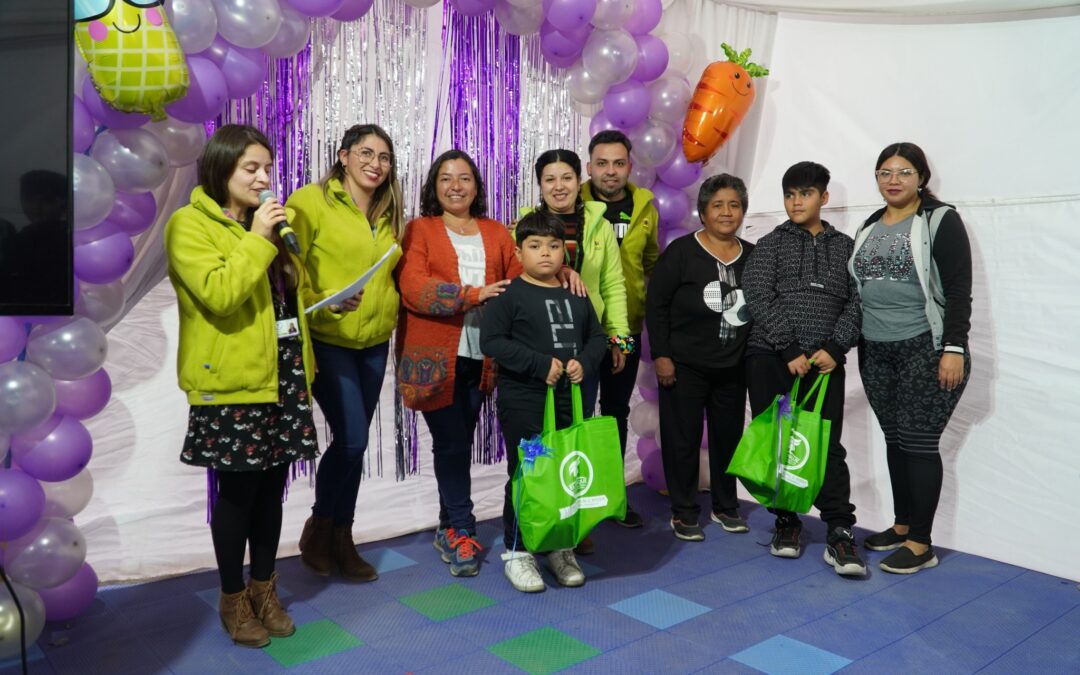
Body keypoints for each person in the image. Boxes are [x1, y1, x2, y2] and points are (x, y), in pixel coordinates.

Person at [164, 125, 358, 647]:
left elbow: (281, 295)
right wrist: (259, 239)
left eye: (267, 168)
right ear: (220, 168)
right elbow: (221, 294)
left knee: (273, 488)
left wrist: (325, 299)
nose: (264, 179)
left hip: (285, 374)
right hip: (232, 381)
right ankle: (232, 598)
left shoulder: (262, 227)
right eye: (251, 168)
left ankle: (264, 589)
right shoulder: (190, 225)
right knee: (238, 493)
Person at [395, 149, 522, 578]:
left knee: (459, 442)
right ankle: (464, 529)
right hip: (433, 360)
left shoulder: (496, 232)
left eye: (464, 178)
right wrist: (473, 295)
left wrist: (562, 274)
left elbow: (520, 276)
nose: (455, 186)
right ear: (434, 187)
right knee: (451, 444)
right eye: (446, 178)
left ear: (476, 186)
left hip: (482, 359)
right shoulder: (419, 230)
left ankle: (447, 524)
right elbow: (413, 287)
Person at [286, 124, 403, 581]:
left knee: (352, 447)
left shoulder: (391, 209)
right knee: (352, 439)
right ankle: (321, 526)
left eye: (385, 157)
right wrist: (326, 296)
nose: (376, 164)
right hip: (327, 339)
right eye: (366, 153)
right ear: (343, 156)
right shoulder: (310, 202)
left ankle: (340, 534)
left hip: (374, 342)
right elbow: (286, 267)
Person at [850, 142, 972, 574]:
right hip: (876, 349)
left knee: (920, 444)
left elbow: (958, 290)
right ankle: (902, 526)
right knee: (896, 441)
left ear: (921, 177)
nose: (894, 180)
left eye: (903, 172)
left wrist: (953, 349)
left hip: (926, 347)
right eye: (885, 172)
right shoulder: (870, 224)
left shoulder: (940, 220)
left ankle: (922, 543)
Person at [742, 161, 866, 577]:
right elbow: (757, 293)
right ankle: (786, 521)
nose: (797, 202)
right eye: (790, 194)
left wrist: (835, 346)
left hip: (825, 364)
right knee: (779, 443)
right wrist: (788, 347)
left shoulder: (846, 247)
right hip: (771, 358)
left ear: (824, 198)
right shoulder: (770, 244)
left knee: (826, 445)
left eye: (806, 194)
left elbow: (860, 300)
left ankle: (839, 530)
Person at [480, 211, 608, 592]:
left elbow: (597, 338)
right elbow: (493, 343)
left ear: (565, 251)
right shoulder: (509, 295)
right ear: (519, 251)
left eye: (554, 246)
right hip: (525, 401)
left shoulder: (576, 292)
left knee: (565, 474)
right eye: (535, 246)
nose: (546, 254)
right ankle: (517, 552)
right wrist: (539, 365)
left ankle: (558, 547)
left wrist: (584, 363)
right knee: (526, 474)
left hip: (571, 402)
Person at [529, 148, 631, 554]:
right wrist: (559, 267)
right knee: (543, 431)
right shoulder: (526, 223)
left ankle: (574, 515)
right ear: (540, 185)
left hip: (586, 343)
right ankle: (542, 511)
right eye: (550, 179)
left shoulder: (598, 223)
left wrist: (618, 337)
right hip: (540, 344)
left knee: (577, 429)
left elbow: (613, 283)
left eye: (566, 177)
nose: (559, 186)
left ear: (579, 180)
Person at [646, 174, 754, 542]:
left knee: (728, 439)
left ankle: (726, 506)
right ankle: (684, 511)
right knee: (682, 440)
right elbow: (656, 306)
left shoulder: (753, 256)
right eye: (718, 205)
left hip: (732, 368)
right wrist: (662, 355)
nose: (727, 212)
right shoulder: (681, 253)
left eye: (734, 204)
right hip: (684, 365)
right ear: (703, 212)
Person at [580, 130, 660, 529]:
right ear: (589, 166)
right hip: (578, 331)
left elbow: (650, 263)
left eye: (618, 163)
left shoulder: (645, 205)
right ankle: (576, 497)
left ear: (630, 166)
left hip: (624, 327)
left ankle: (612, 496)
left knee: (613, 412)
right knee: (575, 416)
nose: (610, 172)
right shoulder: (570, 202)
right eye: (602, 163)